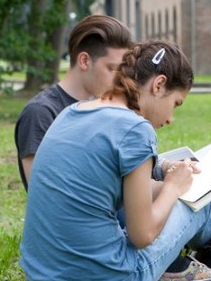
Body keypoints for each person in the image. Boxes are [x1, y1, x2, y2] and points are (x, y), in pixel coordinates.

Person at [19, 40, 211, 281]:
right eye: (176, 104)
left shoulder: (72, 112)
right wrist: (173, 187)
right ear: (158, 85)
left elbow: (120, 188)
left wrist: (168, 178)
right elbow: (141, 235)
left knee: (178, 191)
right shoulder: (135, 129)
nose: (170, 118)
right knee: (198, 205)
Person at [14, 14, 133, 191]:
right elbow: (43, 192)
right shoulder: (40, 113)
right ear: (84, 61)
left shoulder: (107, 106)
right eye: (112, 69)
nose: (119, 80)